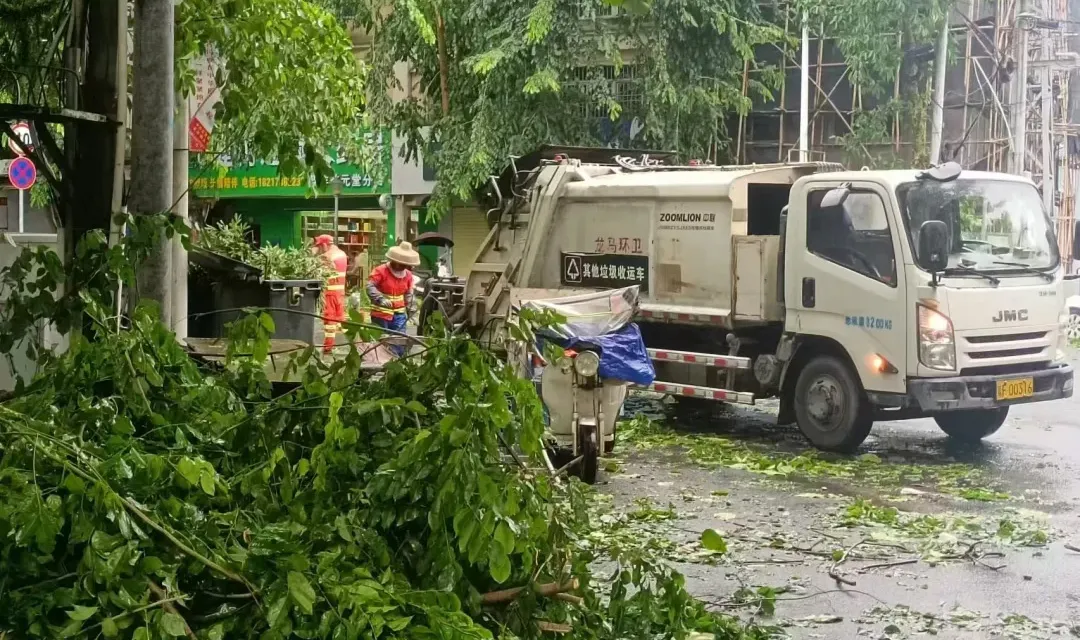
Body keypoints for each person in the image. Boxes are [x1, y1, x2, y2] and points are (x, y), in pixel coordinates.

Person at [367, 241, 420, 354]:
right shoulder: (380, 271)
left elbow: (408, 295)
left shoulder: (408, 275)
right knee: (381, 342)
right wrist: (380, 298)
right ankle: (381, 363)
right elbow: (370, 286)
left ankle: (397, 364)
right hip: (380, 315)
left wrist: (413, 313)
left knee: (399, 341)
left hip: (399, 315)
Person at [313, 234, 348, 354]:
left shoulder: (326, 257)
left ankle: (327, 348)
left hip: (330, 293)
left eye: (319, 246)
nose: (319, 249)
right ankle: (359, 344)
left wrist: (314, 255)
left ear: (323, 244)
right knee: (341, 320)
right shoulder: (342, 254)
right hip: (340, 292)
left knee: (330, 322)